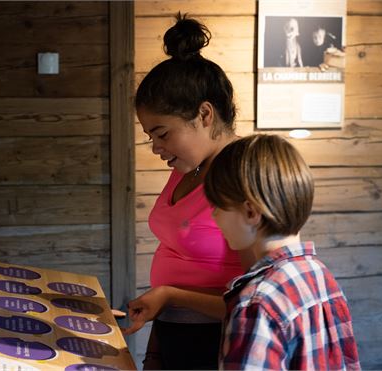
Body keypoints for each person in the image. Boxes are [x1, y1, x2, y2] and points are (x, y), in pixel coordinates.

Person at [121, 13, 244, 370]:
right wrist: (155, 352)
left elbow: (258, 299)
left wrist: (171, 296)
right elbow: (173, 258)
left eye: (163, 134)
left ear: (205, 115)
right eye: (151, 137)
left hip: (220, 345)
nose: (157, 147)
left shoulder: (243, 173)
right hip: (175, 337)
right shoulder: (189, 166)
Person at [203, 134, 361, 370]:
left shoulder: (256, 303)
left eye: (218, 207)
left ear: (250, 212)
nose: (214, 217)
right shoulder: (320, 275)